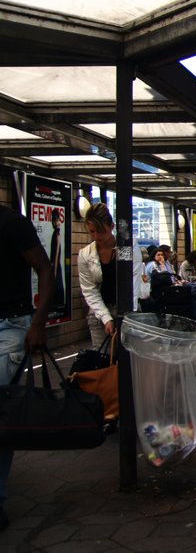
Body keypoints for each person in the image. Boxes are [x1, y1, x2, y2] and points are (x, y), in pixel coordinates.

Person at [0, 203, 54, 531]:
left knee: (1, 411)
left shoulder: (10, 222)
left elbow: (44, 268)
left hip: (8, 327)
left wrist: (38, 323)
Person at [79, 203, 144, 348]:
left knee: (129, 358)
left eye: (101, 231)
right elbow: (89, 290)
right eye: (92, 231)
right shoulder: (86, 254)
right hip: (99, 312)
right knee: (102, 358)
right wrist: (106, 318)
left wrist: (128, 315)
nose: (96, 236)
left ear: (112, 227)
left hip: (127, 309)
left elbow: (132, 281)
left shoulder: (127, 247)